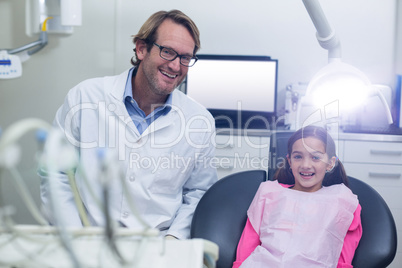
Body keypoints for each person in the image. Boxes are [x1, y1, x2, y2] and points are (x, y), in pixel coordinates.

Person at [40, 9, 217, 240]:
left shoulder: (200, 121)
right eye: (168, 52)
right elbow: (57, 174)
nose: (176, 66)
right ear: (141, 48)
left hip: (159, 246)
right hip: (88, 239)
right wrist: (77, 236)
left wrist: (174, 240)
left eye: (185, 58)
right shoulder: (85, 98)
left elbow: (199, 192)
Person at [233, 126, 362, 268]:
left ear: (330, 163)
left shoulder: (342, 200)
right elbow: (248, 243)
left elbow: (344, 257)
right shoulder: (269, 192)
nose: (306, 165)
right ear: (290, 161)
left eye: (315, 157)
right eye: (298, 157)